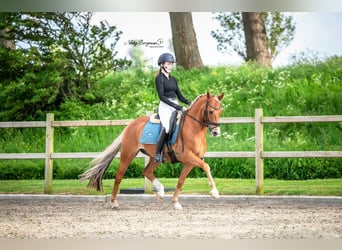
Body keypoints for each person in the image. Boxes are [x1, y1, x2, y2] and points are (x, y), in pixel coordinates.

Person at [154, 53, 192, 163]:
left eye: (171, 64)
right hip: (165, 106)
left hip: (175, 105)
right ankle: (158, 154)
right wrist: (178, 106)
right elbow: (161, 97)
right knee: (166, 127)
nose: (170, 66)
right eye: (168, 64)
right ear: (162, 65)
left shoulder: (173, 79)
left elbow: (180, 96)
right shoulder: (159, 79)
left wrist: (190, 102)